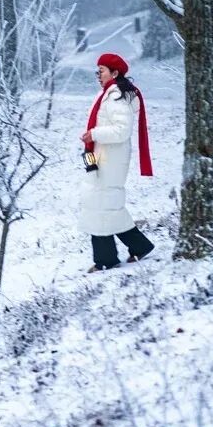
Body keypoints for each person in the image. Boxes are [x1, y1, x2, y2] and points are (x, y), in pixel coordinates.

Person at [80, 51, 155, 271]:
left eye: (101, 70)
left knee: (101, 204)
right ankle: (139, 246)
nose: (98, 74)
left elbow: (122, 131)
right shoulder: (107, 93)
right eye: (98, 70)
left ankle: (106, 260)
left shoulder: (116, 96)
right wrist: (91, 139)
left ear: (115, 72)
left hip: (111, 158)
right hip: (101, 155)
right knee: (107, 204)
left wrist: (93, 134)